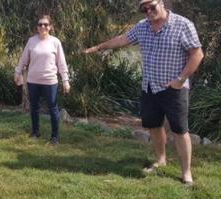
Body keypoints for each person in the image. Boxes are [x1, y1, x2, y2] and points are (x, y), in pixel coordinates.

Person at [84, 0, 204, 185]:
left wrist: (180, 80)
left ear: (162, 3)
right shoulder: (142, 26)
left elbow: (197, 54)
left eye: (152, 7)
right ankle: (161, 160)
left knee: (180, 130)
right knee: (154, 126)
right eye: (143, 9)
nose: (148, 11)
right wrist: (99, 47)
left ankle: (186, 174)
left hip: (174, 88)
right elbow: (123, 39)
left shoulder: (183, 25)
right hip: (149, 87)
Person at [14, 15, 71, 145]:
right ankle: (35, 132)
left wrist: (65, 80)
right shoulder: (31, 41)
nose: (43, 27)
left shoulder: (55, 42)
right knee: (34, 107)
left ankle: (55, 137)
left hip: (50, 82)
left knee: (53, 109)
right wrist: (18, 72)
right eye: (40, 24)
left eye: (45, 24)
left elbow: (62, 63)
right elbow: (23, 59)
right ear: (37, 27)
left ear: (50, 27)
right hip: (33, 81)